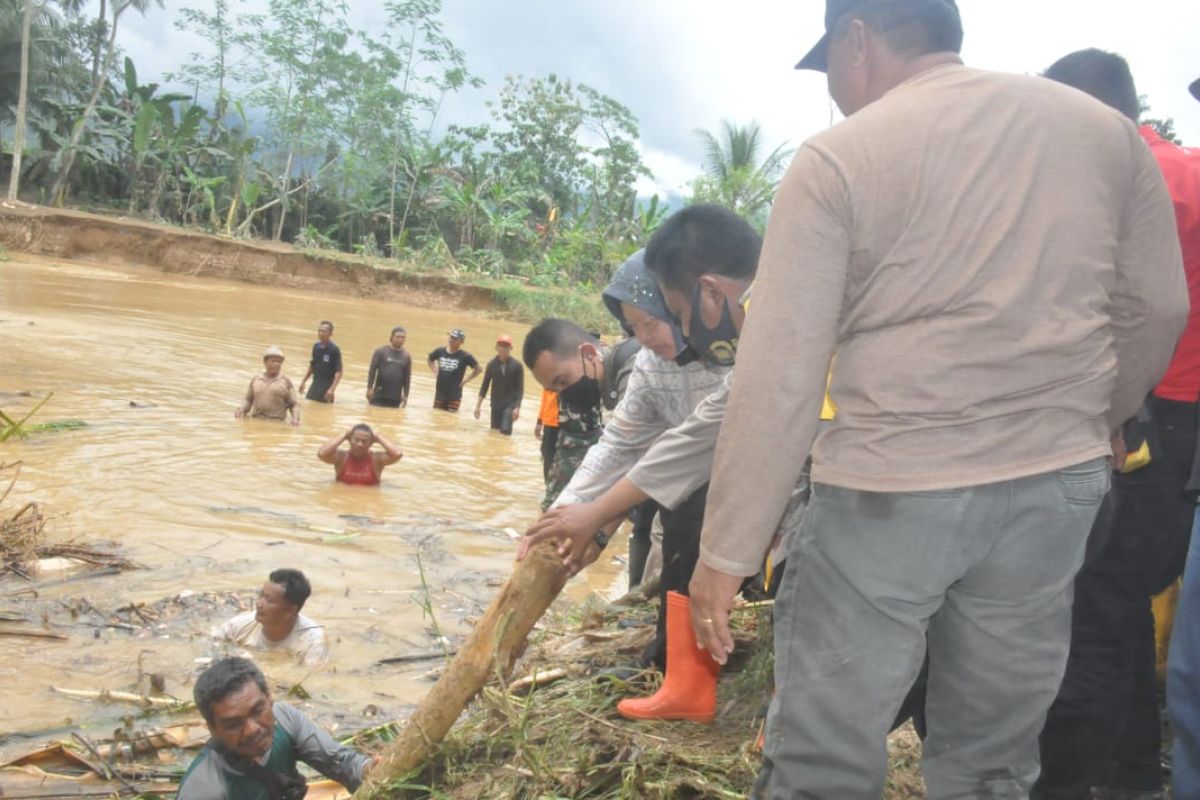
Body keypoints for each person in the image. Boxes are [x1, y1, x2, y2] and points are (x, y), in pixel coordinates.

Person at [683, 0, 1187, 795]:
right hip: (1054, 492)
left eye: (832, 74)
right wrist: (1094, 416)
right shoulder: (1102, 133)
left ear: (858, 40)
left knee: (825, 753)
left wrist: (725, 556)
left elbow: (779, 375)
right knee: (993, 758)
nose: (837, 96)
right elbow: (1158, 308)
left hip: (891, 489)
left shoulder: (841, 156)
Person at [1026, 50, 1200, 800]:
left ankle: (1067, 782)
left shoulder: (1126, 183)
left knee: (1091, 607)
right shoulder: (1187, 171)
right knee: (1123, 601)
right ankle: (1131, 773)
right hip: (1179, 425)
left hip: (1141, 418)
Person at [519, 217, 757, 724]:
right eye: (634, 329)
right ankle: (678, 668)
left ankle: (708, 671)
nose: (645, 338)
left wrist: (596, 517)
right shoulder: (651, 367)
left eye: (655, 320)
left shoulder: (742, 351)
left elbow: (687, 443)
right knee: (678, 531)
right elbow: (619, 444)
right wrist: (562, 514)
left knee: (692, 519)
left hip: (754, 485)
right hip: (687, 481)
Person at [178, 657, 377, 800]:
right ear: (212, 728)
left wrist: (370, 770)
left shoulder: (285, 719)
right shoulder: (204, 789)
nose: (252, 729)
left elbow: (343, 763)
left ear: (269, 698)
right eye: (234, 724)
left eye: (257, 710)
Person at [522, 319, 639, 510]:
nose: (563, 394)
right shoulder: (592, 385)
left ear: (589, 354)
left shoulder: (633, 370)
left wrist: (593, 523)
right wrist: (554, 514)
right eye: (554, 389)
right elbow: (582, 454)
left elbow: (630, 454)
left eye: (562, 381)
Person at [212, 569, 329, 667]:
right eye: (261, 596)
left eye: (269, 600)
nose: (259, 604)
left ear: (291, 610)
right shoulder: (236, 626)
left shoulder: (313, 643)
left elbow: (311, 679)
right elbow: (213, 647)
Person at [317, 424, 402, 486]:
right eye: (356, 440)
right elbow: (322, 454)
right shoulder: (341, 457)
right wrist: (345, 435)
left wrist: (378, 436)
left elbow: (397, 454)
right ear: (350, 440)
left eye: (364, 441)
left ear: (371, 443)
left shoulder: (377, 459)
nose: (360, 444)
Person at [235, 346, 300, 426]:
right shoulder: (256, 380)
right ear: (265, 362)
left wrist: (295, 418)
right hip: (256, 421)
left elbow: (294, 404)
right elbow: (248, 400)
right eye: (273, 361)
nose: (276, 364)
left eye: (278, 362)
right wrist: (241, 409)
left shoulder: (285, 381)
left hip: (277, 423)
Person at [474, 335, 525, 435]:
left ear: (510, 348)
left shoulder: (517, 366)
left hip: (510, 405)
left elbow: (520, 389)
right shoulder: (491, 365)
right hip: (496, 404)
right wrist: (478, 406)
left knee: (505, 430)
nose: (503, 349)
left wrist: (517, 408)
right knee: (494, 432)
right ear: (496, 348)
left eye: (506, 346)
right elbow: (484, 386)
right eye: (500, 346)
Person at [427, 329, 481, 412]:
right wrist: (436, 372)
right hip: (440, 394)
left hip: (454, 395)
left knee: (450, 419)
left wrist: (465, 380)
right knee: (436, 416)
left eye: (455, 338)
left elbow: (478, 369)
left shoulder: (465, 356)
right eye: (451, 337)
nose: (452, 339)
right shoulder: (439, 351)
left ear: (461, 342)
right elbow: (430, 360)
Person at [366, 326, 412, 408]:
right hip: (379, 394)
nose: (400, 339)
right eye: (397, 337)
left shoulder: (406, 356)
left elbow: (407, 378)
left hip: (395, 397)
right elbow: (372, 370)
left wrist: (405, 396)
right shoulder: (380, 351)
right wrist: (369, 388)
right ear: (391, 337)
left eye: (403, 337)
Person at [298, 321, 343, 404]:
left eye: (323, 331)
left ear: (330, 334)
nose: (320, 333)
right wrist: (303, 382)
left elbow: (339, 372)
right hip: (315, 385)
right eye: (319, 331)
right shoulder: (316, 347)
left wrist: (332, 389)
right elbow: (312, 366)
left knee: (326, 409)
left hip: (327, 388)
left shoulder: (334, 350)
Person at [535, 388, 560, 482]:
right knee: (547, 457)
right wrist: (539, 421)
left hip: (565, 425)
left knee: (558, 458)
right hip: (549, 423)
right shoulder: (549, 380)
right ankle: (548, 485)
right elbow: (544, 399)